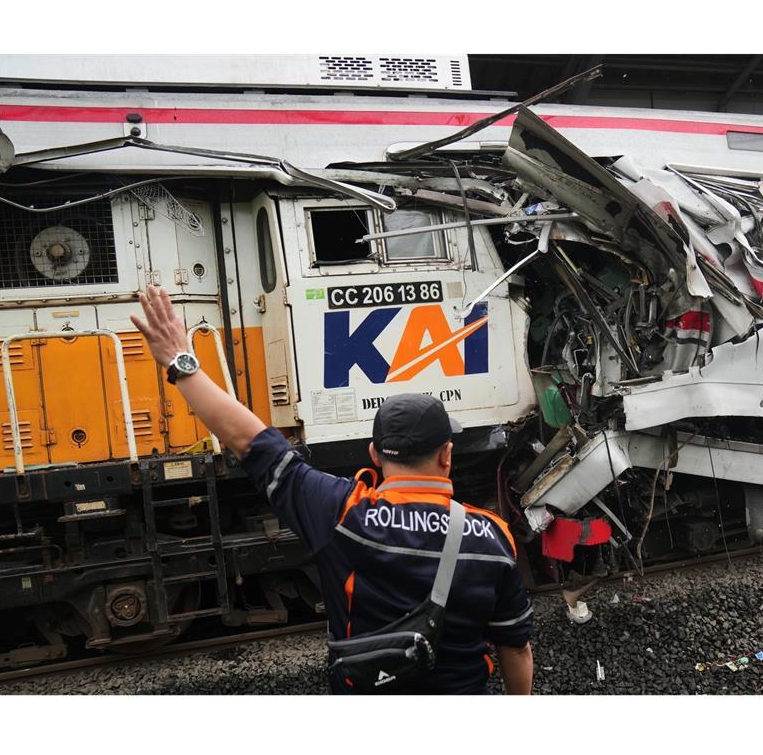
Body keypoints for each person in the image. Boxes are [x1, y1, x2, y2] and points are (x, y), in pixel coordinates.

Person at [131, 285, 533, 694]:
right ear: (447, 455)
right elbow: (515, 649)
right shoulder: (492, 537)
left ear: (374, 454)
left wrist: (183, 364)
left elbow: (250, 440)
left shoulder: (342, 512)